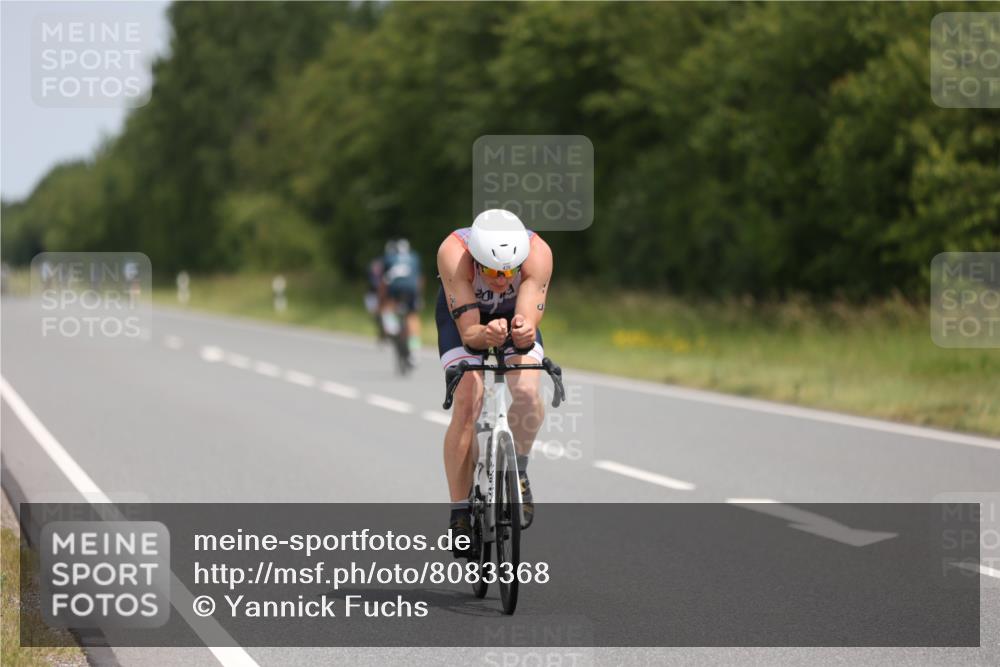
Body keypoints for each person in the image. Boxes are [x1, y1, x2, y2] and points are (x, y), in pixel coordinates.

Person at [435, 209, 553, 553]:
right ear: (476, 260)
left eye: (509, 272)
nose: (501, 280)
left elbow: (527, 319)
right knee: (468, 399)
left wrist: (524, 329)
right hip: (465, 319)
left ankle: (518, 470)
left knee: (527, 393)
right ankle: (459, 512)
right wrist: (484, 334)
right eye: (490, 271)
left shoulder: (538, 252)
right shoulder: (453, 253)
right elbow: (469, 334)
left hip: (512, 314)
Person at [380, 238, 423, 356]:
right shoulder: (414, 257)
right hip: (412, 288)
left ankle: (392, 327)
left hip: (396, 287)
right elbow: (419, 278)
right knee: (412, 315)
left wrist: (382, 299)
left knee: (387, 307)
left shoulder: (389, 257)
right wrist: (419, 296)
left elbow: (383, 280)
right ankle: (415, 346)